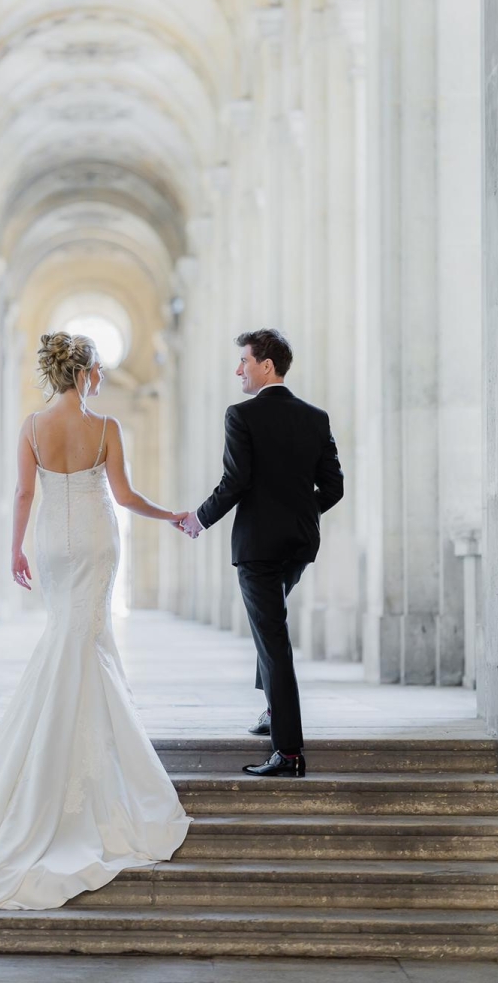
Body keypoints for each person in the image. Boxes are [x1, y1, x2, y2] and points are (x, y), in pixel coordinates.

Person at [0, 331, 191, 909]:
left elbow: (24, 493)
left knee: (65, 638)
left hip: (52, 540)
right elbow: (122, 495)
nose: (97, 379)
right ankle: (88, 773)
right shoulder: (106, 428)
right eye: (95, 371)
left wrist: (15, 549)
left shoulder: (31, 425)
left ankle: (42, 759)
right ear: (85, 373)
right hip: (97, 538)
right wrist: (168, 514)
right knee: (87, 640)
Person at [178, 328, 344, 778]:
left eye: (244, 362)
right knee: (269, 620)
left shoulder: (241, 415)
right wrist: (298, 511)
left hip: (258, 547)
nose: (239, 370)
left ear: (265, 366)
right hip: (299, 542)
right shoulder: (316, 417)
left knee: (273, 640)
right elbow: (333, 488)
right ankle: (274, 712)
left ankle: (288, 752)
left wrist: (198, 518)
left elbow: (236, 482)